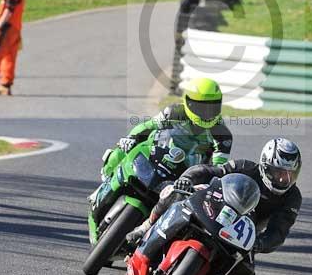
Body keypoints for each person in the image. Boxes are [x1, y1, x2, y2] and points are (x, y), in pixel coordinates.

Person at [127, 138, 302, 275]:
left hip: (244, 233)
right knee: (175, 191)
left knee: (243, 269)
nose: (282, 179)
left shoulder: (293, 197)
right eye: (278, 172)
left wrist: (260, 243)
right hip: (216, 205)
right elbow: (209, 171)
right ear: (264, 165)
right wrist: (187, 180)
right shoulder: (244, 167)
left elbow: (279, 231)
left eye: (289, 175)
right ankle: (146, 227)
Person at [88, 77, 233, 232]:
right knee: (121, 149)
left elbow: (217, 169)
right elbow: (146, 126)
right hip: (159, 156)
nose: (206, 113)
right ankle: (103, 185)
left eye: (212, 108)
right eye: (200, 107)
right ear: (188, 102)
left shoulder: (222, 134)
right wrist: (130, 139)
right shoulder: (174, 112)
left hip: (184, 174)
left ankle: (149, 232)